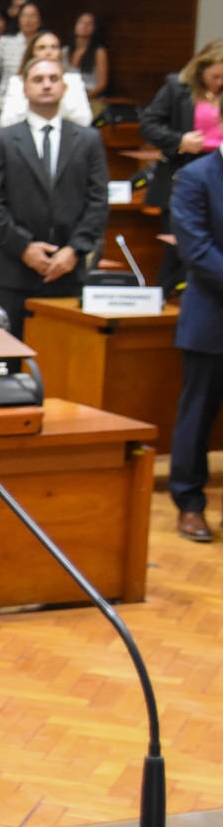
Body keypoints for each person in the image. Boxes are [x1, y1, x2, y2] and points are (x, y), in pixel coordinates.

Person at [0, 56, 109, 338]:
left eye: (53, 79)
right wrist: (24, 247)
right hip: (15, 271)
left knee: (63, 363)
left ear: (64, 87)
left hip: (67, 271)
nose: (46, 85)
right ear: (24, 89)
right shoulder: (0, 140)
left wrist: (73, 251)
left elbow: (98, 201)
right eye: (38, 80)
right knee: (10, 363)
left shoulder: (88, 140)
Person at [168, 144, 223, 542]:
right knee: (198, 413)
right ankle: (189, 504)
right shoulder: (196, 175)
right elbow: (196, 248)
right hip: (212, 318)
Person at [142, 40, 223, 294]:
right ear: (201, 69)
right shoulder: (177, 86)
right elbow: (149, 125)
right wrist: (179, 141)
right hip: (183, 175)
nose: (220, 82)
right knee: (177, 253)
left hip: (218, 177)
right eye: (216, 76)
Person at [0, 31, 93, 129]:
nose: (48, 52)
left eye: (54, 47)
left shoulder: (73, 80)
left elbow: (84, 120)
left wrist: (60, 92)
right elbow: (7, 121)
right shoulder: (17, 82)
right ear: (32, 52)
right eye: (42, 48)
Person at [0, 0, 42, 118]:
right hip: (6, 105)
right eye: (24, 16)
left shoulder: (46, 43)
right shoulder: (5, 42)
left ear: (39, 20)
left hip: (39, 106)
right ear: (18, 19)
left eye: (32, 16)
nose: (28, 20)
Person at [67, 12, 110, 102]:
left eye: (89, 24)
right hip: (68, 96)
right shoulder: (65, 51)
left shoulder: (98, 52)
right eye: (81, 22)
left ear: (94, 29)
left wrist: (85, 97)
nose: (84, 26)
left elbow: (102, 84)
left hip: (90, 96)